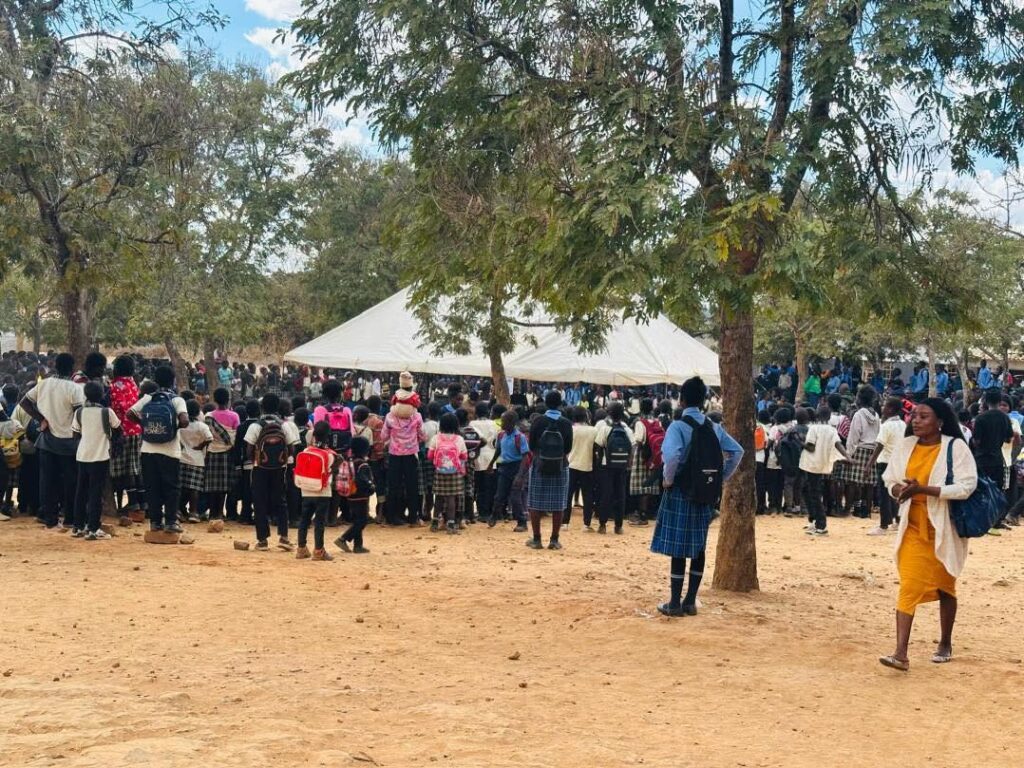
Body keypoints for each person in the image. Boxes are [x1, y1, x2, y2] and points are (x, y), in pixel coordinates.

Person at [879, 398, 977, 671]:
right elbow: (890, 479)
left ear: (941, 422)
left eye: (924, 417)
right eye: (915, 417)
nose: (916, 421)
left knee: (945, 586)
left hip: (945, 528)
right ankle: (900, 653)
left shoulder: (955, 447)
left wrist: (925, 490)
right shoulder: (906, 445)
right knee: (909, 585)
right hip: (912, 527)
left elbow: (967, 486)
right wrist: (900, 490)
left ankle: (945, 642)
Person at [651, 377, 743, 617]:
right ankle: (690, 601)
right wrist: (720, 477)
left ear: (681, 400)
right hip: (705, 493)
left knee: (679, 548)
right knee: (699, 546)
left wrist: (668, 480)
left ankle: (673, 602)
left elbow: (671, 457)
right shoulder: (713, 427)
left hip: (681, 491)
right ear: (703, 401)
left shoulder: (678, 426)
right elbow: (737, 452)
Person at [19, 352, 84, 530]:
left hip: (47, 440)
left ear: (55, 366)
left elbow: (24, 401)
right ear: (72, 368)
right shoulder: (75, 389)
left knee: (48, 482)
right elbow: (79, 413)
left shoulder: (45, 384)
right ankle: (70, 518)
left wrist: (41, 419)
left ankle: (50, 519)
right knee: (71, 482)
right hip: (70, 442)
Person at [126, 365, 189, 535]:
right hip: (170, 451)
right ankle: (170, 522)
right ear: (173, 380)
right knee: (172, 487)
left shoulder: (148, 398)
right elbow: (184, 421)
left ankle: (155, 522)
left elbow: (129, 414)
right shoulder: (177, 400)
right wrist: (172, 428)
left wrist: (145, 425)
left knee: (152, 487)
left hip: (148, 450)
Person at [245, 393, 301, 551]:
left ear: (262, 408)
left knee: (260, 502)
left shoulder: (255, 426)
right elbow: (291, 448)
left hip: (259, 469)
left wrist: (258, 459)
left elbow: (249, 449)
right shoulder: (284, 425)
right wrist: (280, 460)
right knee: (281, 501)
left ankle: (262, 540)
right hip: (279, 469)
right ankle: (283, 537)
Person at [68, 382, 120, 539]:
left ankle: (78, 526)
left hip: (82, 455)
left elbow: (75, 435)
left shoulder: (79, 412)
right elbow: (118, 430)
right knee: (95, 493)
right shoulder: (107, 412)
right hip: (100, 456)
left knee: (81, 491)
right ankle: (93, 528)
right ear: (102, 395)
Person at [526, 390, 574, 550]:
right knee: (558, 504)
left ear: (545, 403)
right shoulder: (566, 423)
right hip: (560, 465)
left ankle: (537, 539)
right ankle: (554, 540)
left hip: (539, 465)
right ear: (560, 404)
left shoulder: (538, 421)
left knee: (535, 502)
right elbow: (568, 447)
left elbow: (532, 445)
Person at [382, 386, 426, 526]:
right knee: (412, 486)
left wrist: (393, 440)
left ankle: (391, 517)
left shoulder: (390, 417)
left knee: (393, 486)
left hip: (394, 454)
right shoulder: (417, 416)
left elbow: (383, 436)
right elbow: (423, 436)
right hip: (411, 454)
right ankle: (413, 517)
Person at [294, 420, 338, 561]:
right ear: (328, 435)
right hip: (322, 492)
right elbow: (334, 468)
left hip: (306, 490)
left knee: (304, 520)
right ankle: (319, 550)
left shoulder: (306, 451)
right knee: (319, 522)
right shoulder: (330, 455)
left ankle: (301, 549)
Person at [800, 406, 847, 536]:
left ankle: (821, 525)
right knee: (809, 490)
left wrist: (799, 442)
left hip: (811, 464)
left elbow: (810, 447)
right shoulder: (832, 430)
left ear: (817, 415)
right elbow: (838, 444)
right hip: (822, 464)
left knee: (813, 494)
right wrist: (847, 456)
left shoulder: (813, 428)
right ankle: (814, 520)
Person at [971, 390, 1013, 529]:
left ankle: (980, 521)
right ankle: (996, 521)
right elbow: (1008, 438)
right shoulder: (1005, 418)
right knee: (997, 491)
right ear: (999, 401)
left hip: (982, 459)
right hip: (997, 459)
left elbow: (976, 441)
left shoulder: (981, 418)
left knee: (981, 491)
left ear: (985, 401)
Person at [108, 355, 144, 521]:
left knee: (120, 469)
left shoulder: (114, 386)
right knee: (134, 467)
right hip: (136, 430)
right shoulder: (133, 383)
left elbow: (118, 407)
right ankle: (137, 503)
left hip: (121, 431)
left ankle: (132, 504)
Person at [837, 385, 881, 519]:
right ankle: (866, 510)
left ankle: (848, 508)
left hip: (860, 448)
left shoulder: (858, 414)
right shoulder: (876, 415)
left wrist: (849, 453)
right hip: (872, 450)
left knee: (852, 481)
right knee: (868, 484)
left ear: (860, 399)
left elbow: (853, 435)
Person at [594, 401, 633, 534]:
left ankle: (603, 525)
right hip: (622, 466)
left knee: (606, 494)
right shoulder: (627, 429)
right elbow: (632, 448)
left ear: (609, 414)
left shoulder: (605, 428)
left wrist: (599, 463)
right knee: (620, 494)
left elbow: (598, 446)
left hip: (607, 465)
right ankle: (618, 526)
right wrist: (628, 463)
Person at [869, 397, 908, 535]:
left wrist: (869, 464)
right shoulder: (903, 424)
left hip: (885, 463)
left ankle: (883, 525)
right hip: (898, 463)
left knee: (884, 494)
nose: (882, 408)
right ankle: (897, 520)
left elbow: (879, 445)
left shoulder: (886, 426)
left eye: (884, 406)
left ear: (891, 409)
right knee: (895, 493)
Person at [488, 410, 531, 530]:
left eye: (504, 421)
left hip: (517, 467)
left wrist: (520, 475)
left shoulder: (519, 437)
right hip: (504, 467)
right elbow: (498, 450)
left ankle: (522, 522)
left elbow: (525, 456)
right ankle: (495, 514)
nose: (502, 423)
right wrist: (491, 464)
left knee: (515, 496)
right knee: (499, 495)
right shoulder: (501, 435)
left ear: (512, 423)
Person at [427, 412, 469, 534]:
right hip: (454, 472)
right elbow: (464, 456)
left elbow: (430, 455)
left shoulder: (436, 438)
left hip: (439, 472)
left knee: (439, 498)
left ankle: (434, 522)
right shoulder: (459, 439)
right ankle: (451, 523)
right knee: (451, 498)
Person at [204, 387, 239, 522]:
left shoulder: (209, 416)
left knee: (213, 485)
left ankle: (213, 513)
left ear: (215, 400)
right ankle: (220, 513)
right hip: (227, 453)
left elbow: (207, 435)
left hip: (212, 452)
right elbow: (235, 436)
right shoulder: (234, 416)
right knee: (224, 485)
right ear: (228, 400)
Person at [335, 435, 375, 553]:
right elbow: (362, 479)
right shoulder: (362, 464)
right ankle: (343, 538)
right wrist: (371, 486)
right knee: (363, 520)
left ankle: (358, 546)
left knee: (357, 520)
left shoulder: (349, 461)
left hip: (350, 494)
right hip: (360, 495)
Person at [630, 398, 665, 526]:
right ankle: (649, 513)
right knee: (650, 485)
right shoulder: (657, 422)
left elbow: (638, 440)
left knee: (642, 487)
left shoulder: (640, 423)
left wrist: (638, 457)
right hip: (655, 456)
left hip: (643, 456)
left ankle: (642, 516)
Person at [178, 399, 213, 524]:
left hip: (181, 457)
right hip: (197, 459)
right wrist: (201, 446)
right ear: (199, 411)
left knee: (181, 486)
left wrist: (181, 445)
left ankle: (178, 510)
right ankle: (193, 512)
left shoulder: (180, 425)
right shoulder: (201, 426)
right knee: (195, 488)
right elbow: (210, 438)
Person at [565, 406, 597, 529]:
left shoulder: (570, 429)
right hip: (587, 466)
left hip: (571, 464)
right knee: (587, 495)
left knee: (568, 495)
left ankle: (565, 522)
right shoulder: (593, 430)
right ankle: (586, 524)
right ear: (586, 417)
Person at [469, 402, 499, 523]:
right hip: (491, 457)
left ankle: (481, 512)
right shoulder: (493, 424)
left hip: (477, 456)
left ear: (476, 412)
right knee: (490, 487)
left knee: (479, 486)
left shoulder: (472, 424)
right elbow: (495, 441)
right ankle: (488, 511)